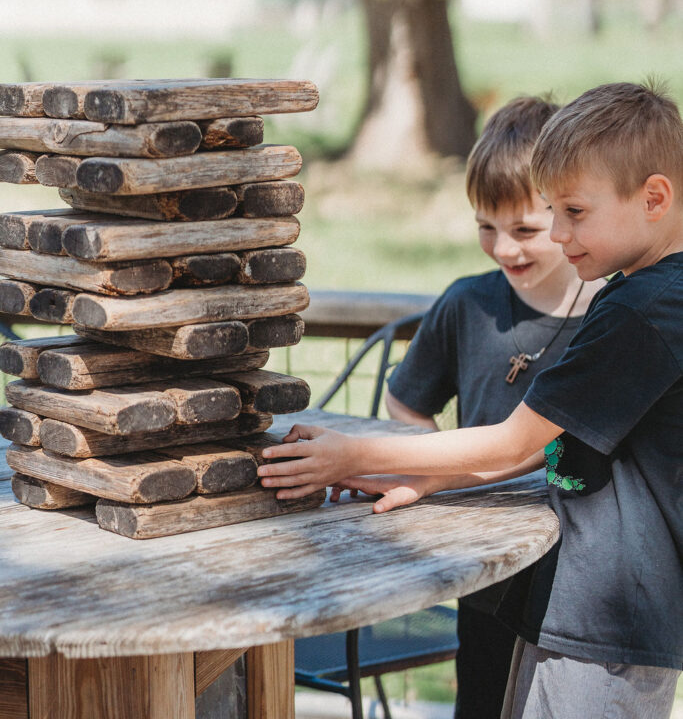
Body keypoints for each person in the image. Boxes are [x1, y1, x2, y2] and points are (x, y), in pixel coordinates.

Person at [258, 81, 683, 719]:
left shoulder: (638, 310)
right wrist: (426, 475)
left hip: (603, 619)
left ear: (654, 198)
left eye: (573, 212)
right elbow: (558, 439)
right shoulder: (648, 294)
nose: (561, 235)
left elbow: (516, 437)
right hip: (588, 607)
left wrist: (348, 456)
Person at [383, 94, 605, 719]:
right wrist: (441, 478)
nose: (505, 249)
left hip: (577, 575)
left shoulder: (614, 317)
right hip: (485, 575)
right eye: (486, 227)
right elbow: (405, 403)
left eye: (525, 230)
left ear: (566, 216)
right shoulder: (466, 304)